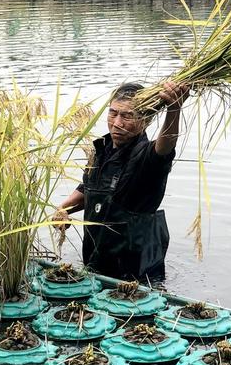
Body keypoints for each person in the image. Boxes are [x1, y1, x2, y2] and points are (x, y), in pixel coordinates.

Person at [53, 81, 189, 281]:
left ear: (146, 120)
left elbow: (165, 147)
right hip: (97, 264)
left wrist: (174, 108)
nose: (117, 123)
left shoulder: (147, 158)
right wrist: (64, 208)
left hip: (138, 275)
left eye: (127, 116)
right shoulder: (100, 150)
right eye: (113, 113)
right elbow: (88, 189)